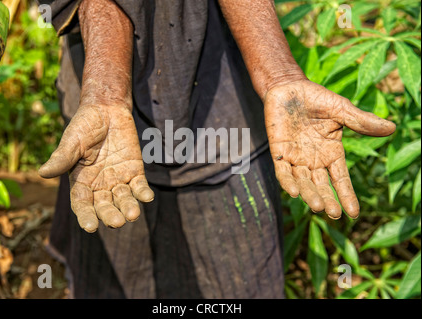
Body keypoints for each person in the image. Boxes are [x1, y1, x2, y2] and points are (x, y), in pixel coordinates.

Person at [37, 0, 396, 299]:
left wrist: (279, 76)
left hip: (226, 114)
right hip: (106, 143)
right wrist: (106, 93)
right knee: (112, 283)